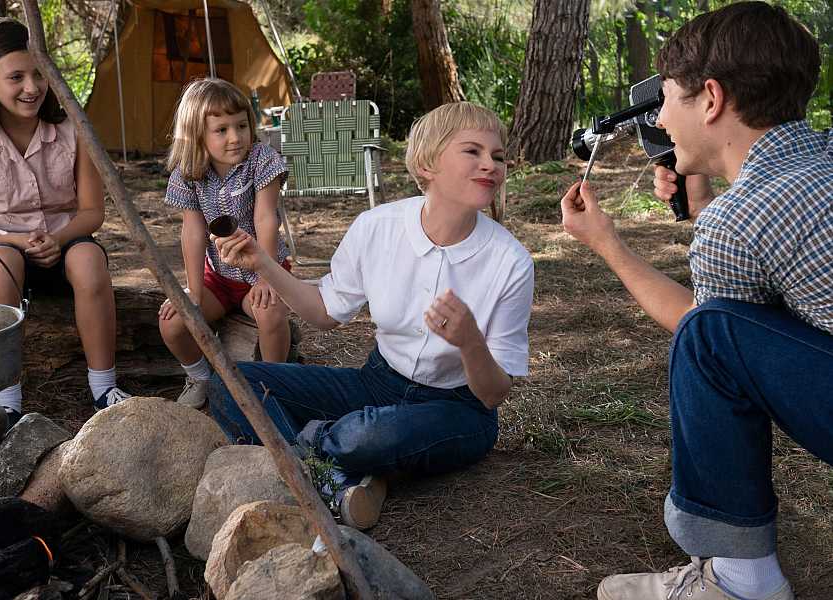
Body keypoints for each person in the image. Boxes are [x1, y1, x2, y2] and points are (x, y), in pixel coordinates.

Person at [560, 3, 831, 600]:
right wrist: (704, 198)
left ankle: (740, 582)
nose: (659, 117)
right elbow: (762, 313)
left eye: (666, 99)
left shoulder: (743, 217)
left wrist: (607, 244)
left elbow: (708, 332)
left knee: (708, 337)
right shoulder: (817, 162)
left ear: (711, 99)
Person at [207, 101, 535, 530]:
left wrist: (470, 342)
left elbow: (493, 395)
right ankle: (335, 477)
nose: (490, 164)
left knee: (366, 434)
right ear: (427, 164)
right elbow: (325, 313)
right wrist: (261, 263)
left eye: (498, 156)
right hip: (378, 384)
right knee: (232, 381)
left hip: (458, 409)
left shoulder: (511, 261)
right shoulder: (376, 227)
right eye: (472, 151)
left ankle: (309, 461)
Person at [0, 17, 130, 421]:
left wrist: (58, 239)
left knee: (90, 259)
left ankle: (104, 387)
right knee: (4, 262)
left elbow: (92, 212)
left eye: (39, 74)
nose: (32, 87)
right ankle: (5, 399)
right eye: (16, 77)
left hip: (66, 244)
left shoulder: (74, 130)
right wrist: (17, 242)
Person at [159, 78, 291, 409]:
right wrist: (193, 291)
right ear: (197, 135)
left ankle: (274, 386)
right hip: (217, 277)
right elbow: (193, 232)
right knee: (173, 322)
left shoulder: (262, 160)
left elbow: (266, 218)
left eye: (241, 126)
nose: (235, 137)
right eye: (221, 130)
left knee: (271, 314)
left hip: (263, 268)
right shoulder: (189, 172)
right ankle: (200, 377)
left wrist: (266, 276)